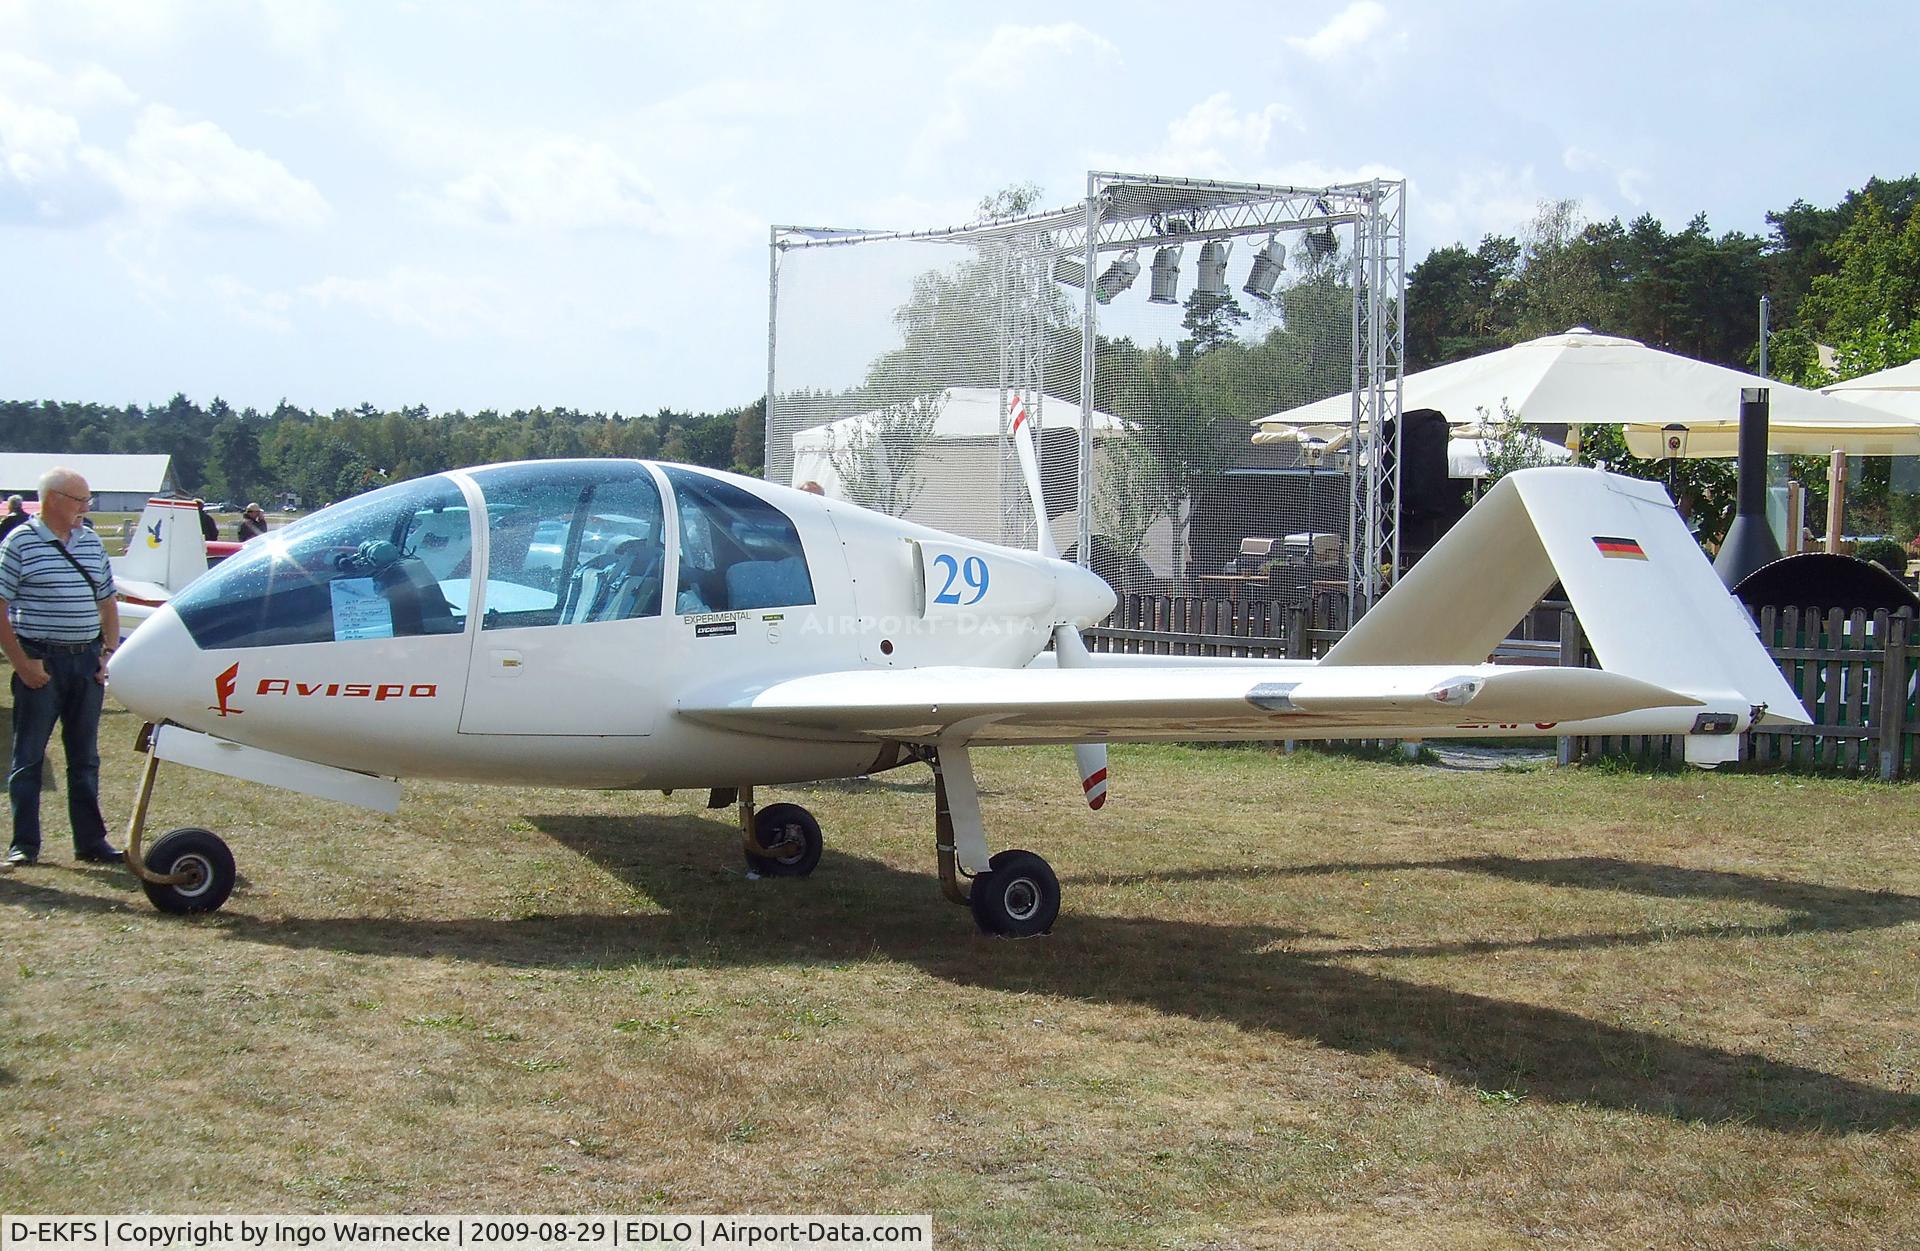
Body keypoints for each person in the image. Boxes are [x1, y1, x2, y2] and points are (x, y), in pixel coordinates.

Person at [0, 469, 122, 867]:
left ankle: (91, 842)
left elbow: (108, 601)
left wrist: (106, 654)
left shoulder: (91, 542)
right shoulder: (20, 543)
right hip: (41, 660)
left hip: (86, 661)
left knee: (85, 757)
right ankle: (25, 844)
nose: (86, 508)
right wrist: (22, 664)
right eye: (79, 500)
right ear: (53, 499)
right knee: (29, 756)